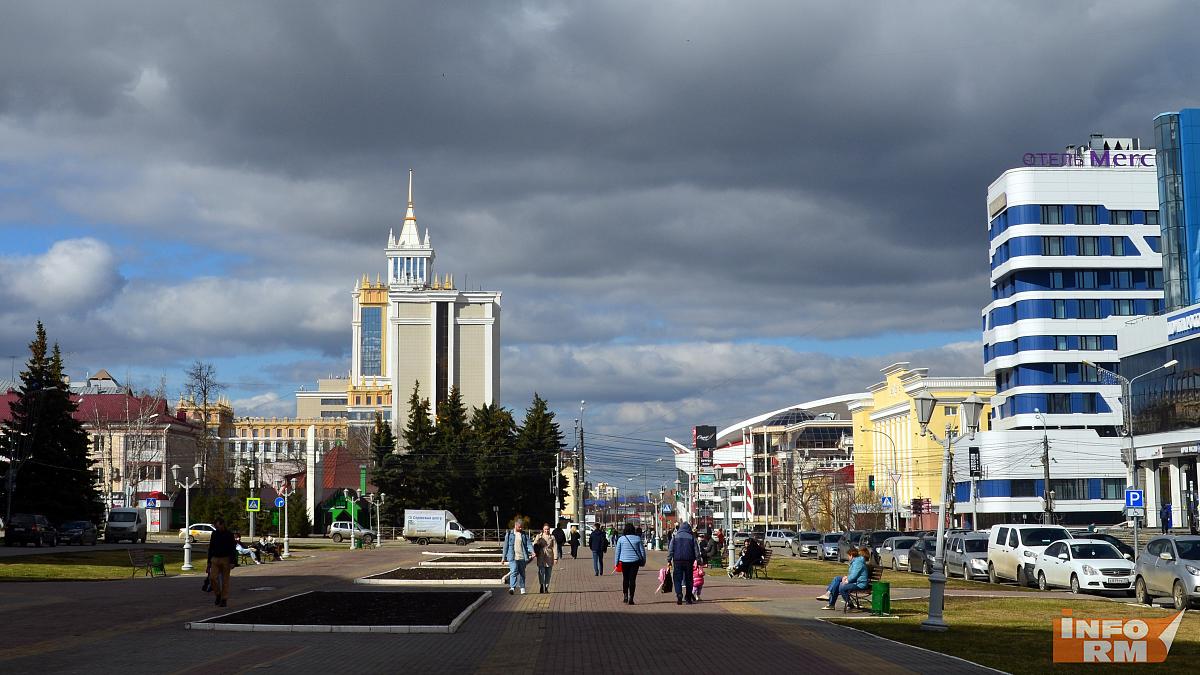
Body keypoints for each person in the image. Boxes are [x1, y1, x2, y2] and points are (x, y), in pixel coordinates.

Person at [667, 521, 702, 605]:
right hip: (689, 561)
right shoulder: (692, 537)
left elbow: (671, 549)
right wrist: (698, 560)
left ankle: (679, 594)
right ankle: (688, 598)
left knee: (677, 579)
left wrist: (669, 560)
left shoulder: (675, 537)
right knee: (689, 580)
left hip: (677, 561)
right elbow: (696, 550)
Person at [614, 522, 647, 605]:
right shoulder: (637, 539)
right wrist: (643, 561)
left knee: (625, 579)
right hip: (635, 562)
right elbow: (642, 551)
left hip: (624, 561)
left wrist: (616, 562)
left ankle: (625, 596)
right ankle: (631, 598)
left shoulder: (621, 539)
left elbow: (617, 552)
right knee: (632, 580)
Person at [207, 518, 236, 607]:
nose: (216, 528)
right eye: (215, 527)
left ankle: (224, 599)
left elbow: (232, 548)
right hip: (215, 559)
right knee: (212, 578)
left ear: (223, 525)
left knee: (225, 581)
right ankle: (218, 594)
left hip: (226, 559)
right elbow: (211, 547)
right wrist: (208, 562)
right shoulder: (214, 534)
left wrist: (232, 561)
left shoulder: (229, 535)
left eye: (218, 526)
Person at [503, 520, 534, 595]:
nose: (521, 529)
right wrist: (503, 557)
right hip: (512, 557)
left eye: (521, 527)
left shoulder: (524, 534)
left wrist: (532, 551)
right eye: (519, 527)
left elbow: (529, 544)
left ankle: (522, 588)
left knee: (522, 573)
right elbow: (505, 546)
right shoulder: (509, 534)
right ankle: (512, 588)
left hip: (522, 557)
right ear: (515, 526)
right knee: (514, 571)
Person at [533, 524, 557, 593]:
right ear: (543, 529)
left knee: (548, 573)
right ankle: (541, 585)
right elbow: (534, 544)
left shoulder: (552, 537)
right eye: (545, 529)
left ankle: (546, 587)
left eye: (548, 529)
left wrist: (555, 558)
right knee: (541, 572)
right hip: (541, 556)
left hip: (549, 556)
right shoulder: (539, 536)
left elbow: (555, 547)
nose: (547, 530)